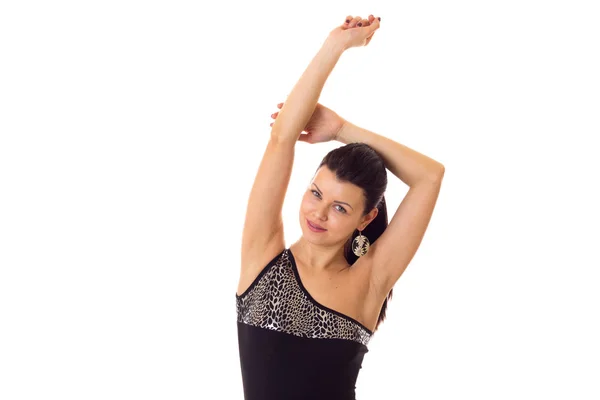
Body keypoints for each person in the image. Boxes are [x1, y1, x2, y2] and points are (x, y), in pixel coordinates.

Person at [236, 14, 445, 400]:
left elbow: (429, 176)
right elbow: (282, 137)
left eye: (340, 208)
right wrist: (336, 45)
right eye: (316, 193)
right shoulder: (262, 256)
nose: (318, 213)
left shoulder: (368, 282)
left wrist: (341, 130)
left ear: (366, 218)